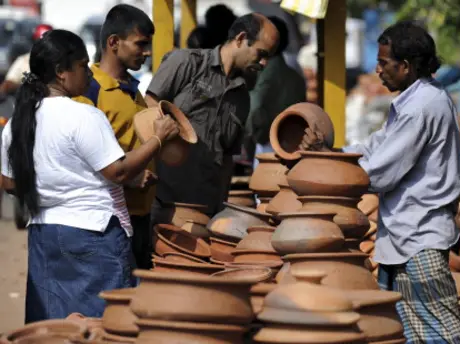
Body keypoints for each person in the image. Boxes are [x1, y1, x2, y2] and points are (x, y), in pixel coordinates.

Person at [300, 21, 460, 343]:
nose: (377, 70)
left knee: (437, 334)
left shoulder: (422, 106)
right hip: (404, 236)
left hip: (420, 236)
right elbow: (375, 146)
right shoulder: (413, 101)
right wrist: (332, 153)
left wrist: (330, 168)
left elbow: (380, 171)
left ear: (405, 66)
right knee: (402, 331)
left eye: (383, 63)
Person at [0, 29, 179, 322]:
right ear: (61, 73)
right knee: (106, 323)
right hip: (93, 234)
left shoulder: (19, 120)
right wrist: (157, 141)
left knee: (53, 326)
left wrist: (51, 188)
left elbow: (8, 182)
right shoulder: (83, 116)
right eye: (84, 67)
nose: (91, 75)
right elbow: (117, 170)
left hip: (45, 234)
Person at [145, 13, 279, 223]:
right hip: (162, 202)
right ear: (241, 38)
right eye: (261, 53)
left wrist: (219, 211)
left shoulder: (241, 97)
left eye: (268, 57)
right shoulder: (187, 63)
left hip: (203, 208)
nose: (263, 63)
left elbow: (227, 159)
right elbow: (148, 108)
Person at [73, 4, 157, 270]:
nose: (147, 52)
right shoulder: (89, 91)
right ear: (113, 43)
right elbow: (76, 157)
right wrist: (128, 178)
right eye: (140, 44)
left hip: (141, 218)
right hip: (106, 222)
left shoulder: (134, 90)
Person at [245, 16, 305, 169]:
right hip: (292, 147)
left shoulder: (266, 72)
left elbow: (255, 108)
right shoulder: (296, 77)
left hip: (268, 147)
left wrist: (253, 137)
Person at [0, 24, 53, 97]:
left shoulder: (63, 60)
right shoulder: (24, 60)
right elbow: (10, 82)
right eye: (41, 42)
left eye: (48, 43)